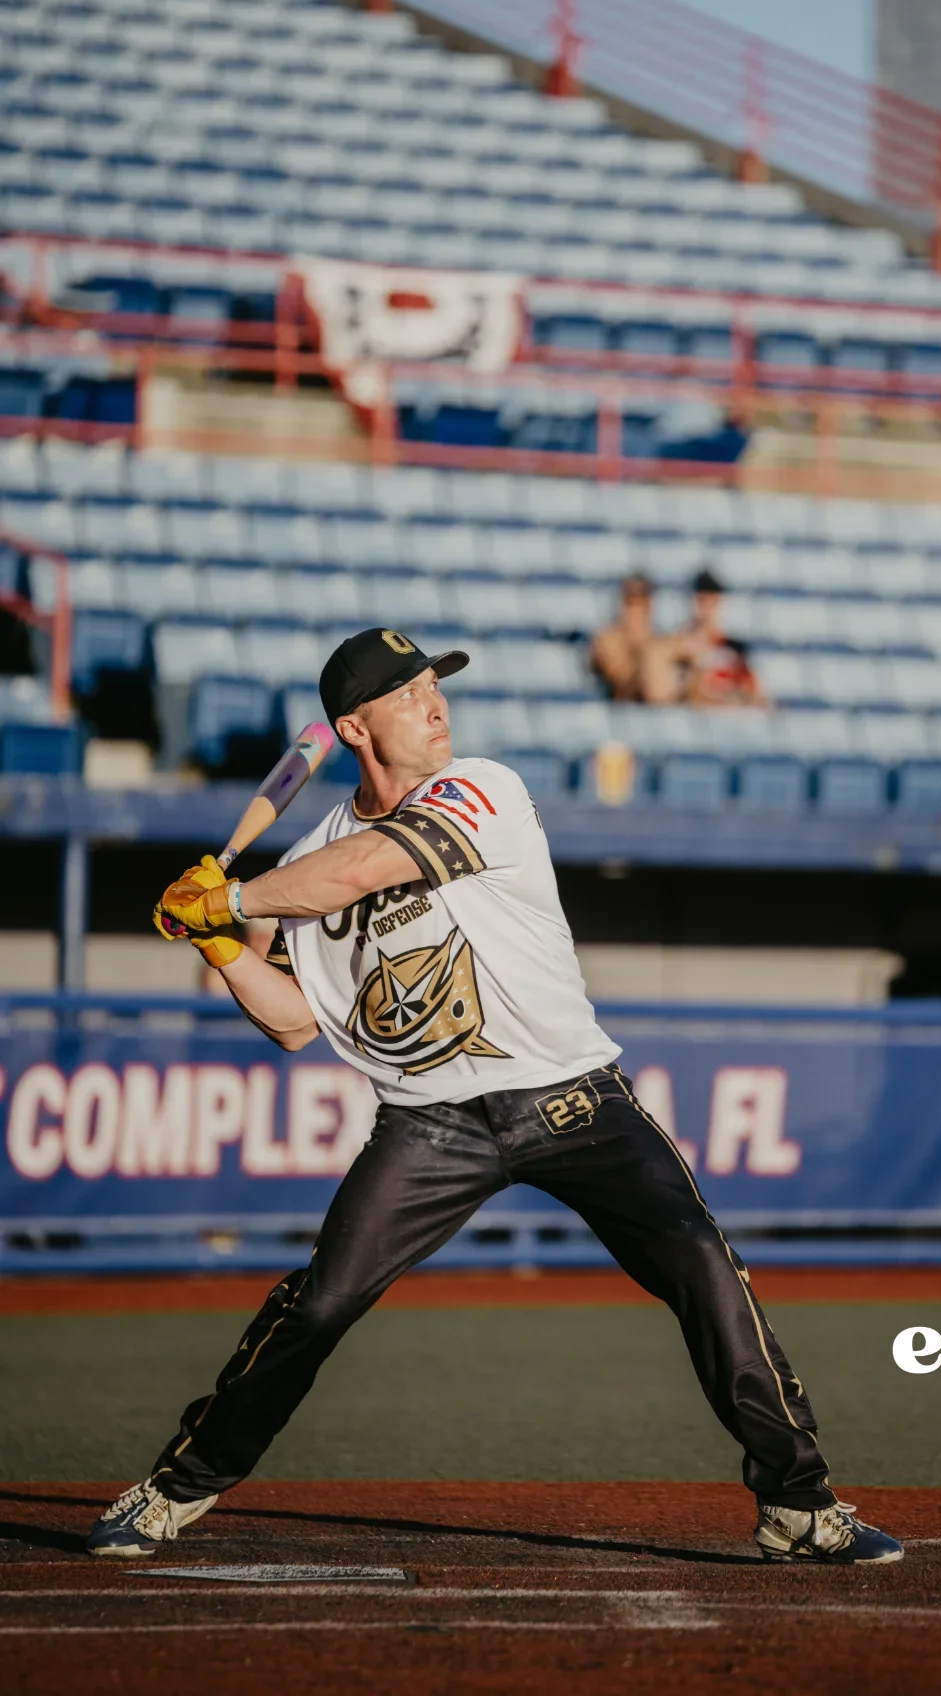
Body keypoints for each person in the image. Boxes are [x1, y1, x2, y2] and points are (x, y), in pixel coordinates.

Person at [86, 627, 900, 1568]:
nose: (434, 704)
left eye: (435, 686)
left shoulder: (480, 787)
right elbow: (293, 1022)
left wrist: (232, 901)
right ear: (352, 727)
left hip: (573, 1099)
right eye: (406, 694)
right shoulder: (309, 854)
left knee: (706, 1274)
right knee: (319, 1303)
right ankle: (176, 1489)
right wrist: (217, 944)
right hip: (430, 1121)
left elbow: (364, 871)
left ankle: (798, 1507)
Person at [670, 569, 766, 708]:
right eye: (702, 600)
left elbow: (755, 696)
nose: (707, 608)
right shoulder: (677, 647)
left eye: (712, 600)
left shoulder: (734, 649)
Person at [589, 572, 668, 703]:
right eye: (630, 604)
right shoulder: (607, 638)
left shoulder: (659, 639)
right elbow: (620, 679)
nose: (636, 612)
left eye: (642, 605)